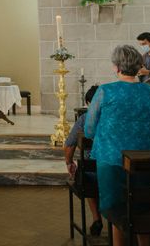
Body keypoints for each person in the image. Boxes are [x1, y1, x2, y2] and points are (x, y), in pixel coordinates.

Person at [85, 45, 150, 246]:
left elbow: (90, 129)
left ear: (116, 67)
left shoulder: (105, 91)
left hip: (111, 159)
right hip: (144, 160)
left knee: (115, 209)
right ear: (139, 67)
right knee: (143, 207)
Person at [64, 85, 101, 236]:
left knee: (87, 173)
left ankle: (96, 218)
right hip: (113, 167)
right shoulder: (113, 118)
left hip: (90, 172)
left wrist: (69, 162)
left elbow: (69, 145)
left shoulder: (84, 119)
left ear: (87, 103)